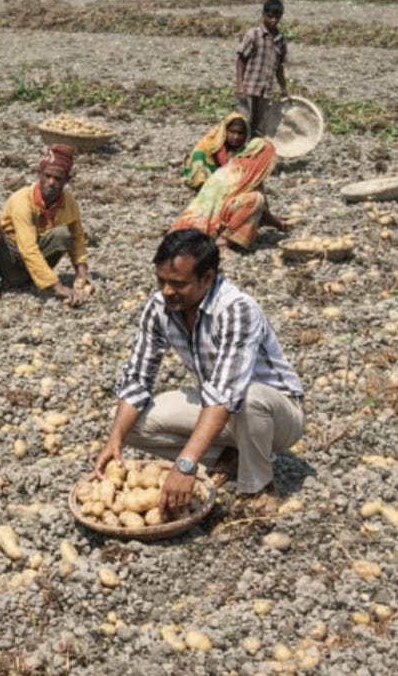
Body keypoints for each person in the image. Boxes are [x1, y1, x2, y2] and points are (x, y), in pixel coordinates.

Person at [94, 229, 305, 514]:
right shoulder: (160, 307)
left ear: (207, 278)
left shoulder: (236, 310)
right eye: (161, 281)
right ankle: (228, 457)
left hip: (277, 414)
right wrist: (114, 440)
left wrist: (185, 464)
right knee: (125, 421)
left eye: (178, 284)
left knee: (248, 397)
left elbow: (226, 393)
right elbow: (138, 378)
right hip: (223, 408)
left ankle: (259, 485)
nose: (167, 291)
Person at [0, 144, 92, 304]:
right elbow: (27, 248)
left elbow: (77, 237)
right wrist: (58, 287)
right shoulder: (22, 200)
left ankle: (36, 279)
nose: (51, 182)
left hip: (36, 259)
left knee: (63, 233)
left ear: (66, 181)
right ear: (39, 174)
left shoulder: (69, 202)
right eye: (47, 176)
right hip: (9, 258)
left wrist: (82, 273)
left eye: (58, 178)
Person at [171, 137, 287, 254]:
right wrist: (278, 224)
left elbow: (264, 209)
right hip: (211, 223)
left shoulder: (238, 167)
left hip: (201, 218)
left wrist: (278, 223)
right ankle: (223, 242)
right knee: (255, 199)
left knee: (256, 200)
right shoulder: (242, 175)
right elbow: (256, 205)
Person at [235, 0, 289, 137]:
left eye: (277, 17)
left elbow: (279, 67)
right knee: (243, 123)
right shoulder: (253, 34)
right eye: (270, 16)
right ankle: (239, 155)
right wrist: (240, 84)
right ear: (263, 15)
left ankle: (255, 155)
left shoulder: (280, 40)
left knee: (260, 127)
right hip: (249, 87)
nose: (273, 20)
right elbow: (241, 60)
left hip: (265, 90)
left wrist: (283, 88)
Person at [182, 112, 251, 191]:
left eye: (240, 133)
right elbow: (224, 164)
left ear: (245, 135)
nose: (236, 137)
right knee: (199, 157)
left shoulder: (244, 150)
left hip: (219, 172)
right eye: (232, 132)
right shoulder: (216, 143)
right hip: (207, 167)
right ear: (225, 131)